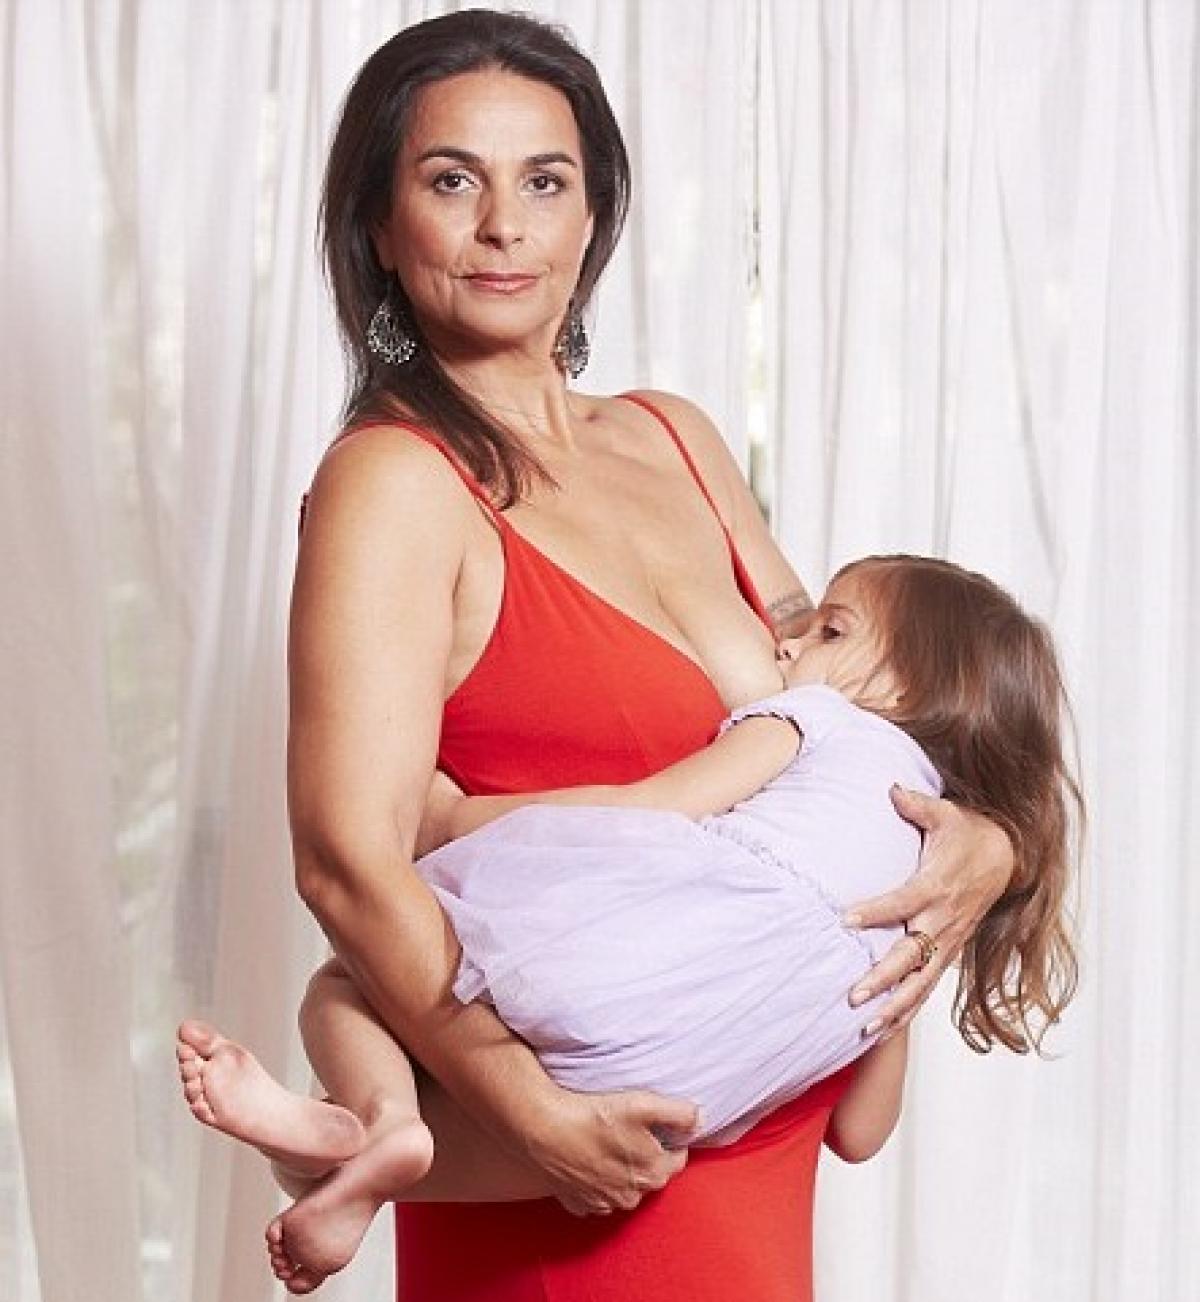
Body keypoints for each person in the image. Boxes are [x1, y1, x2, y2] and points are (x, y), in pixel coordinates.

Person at [190, 9, 1016, 1301]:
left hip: (753, 1169)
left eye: (545, 182)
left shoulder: (677, 436)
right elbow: (347, 860)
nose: (503, 226)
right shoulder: (393, 485)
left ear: (594, 216)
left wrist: (986, 844)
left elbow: (861, 700)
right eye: (451, 180)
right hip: (559, 1197)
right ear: (378, 226)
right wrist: (523, 1106)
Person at [177, 553, 1079, 1294]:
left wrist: (452, 820)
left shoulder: (820, 721)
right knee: (523, 1158)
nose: (789, 639)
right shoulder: (929, 896)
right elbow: (860, 1133)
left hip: (615, 973)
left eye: (830, 631)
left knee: (350, 980)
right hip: (676, 1105)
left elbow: (653, 807)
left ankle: (372, 1121)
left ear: (909, 685)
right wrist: (904, 983)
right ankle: (344, 1149)